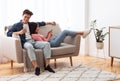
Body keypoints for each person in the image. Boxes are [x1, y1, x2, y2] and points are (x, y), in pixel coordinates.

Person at [7, 9, 55, 76]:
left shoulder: (30, 24)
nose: (26, 19)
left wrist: (50, 22)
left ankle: (47, 66)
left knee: (47, 44)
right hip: (25, 42)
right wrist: (19, 32)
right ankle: (36, 67)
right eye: (25, 17)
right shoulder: (17, 25)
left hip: (33, 41)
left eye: (28, 18)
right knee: (29, 46)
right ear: (22, 15)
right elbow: (8, 33)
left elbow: (40, 23)